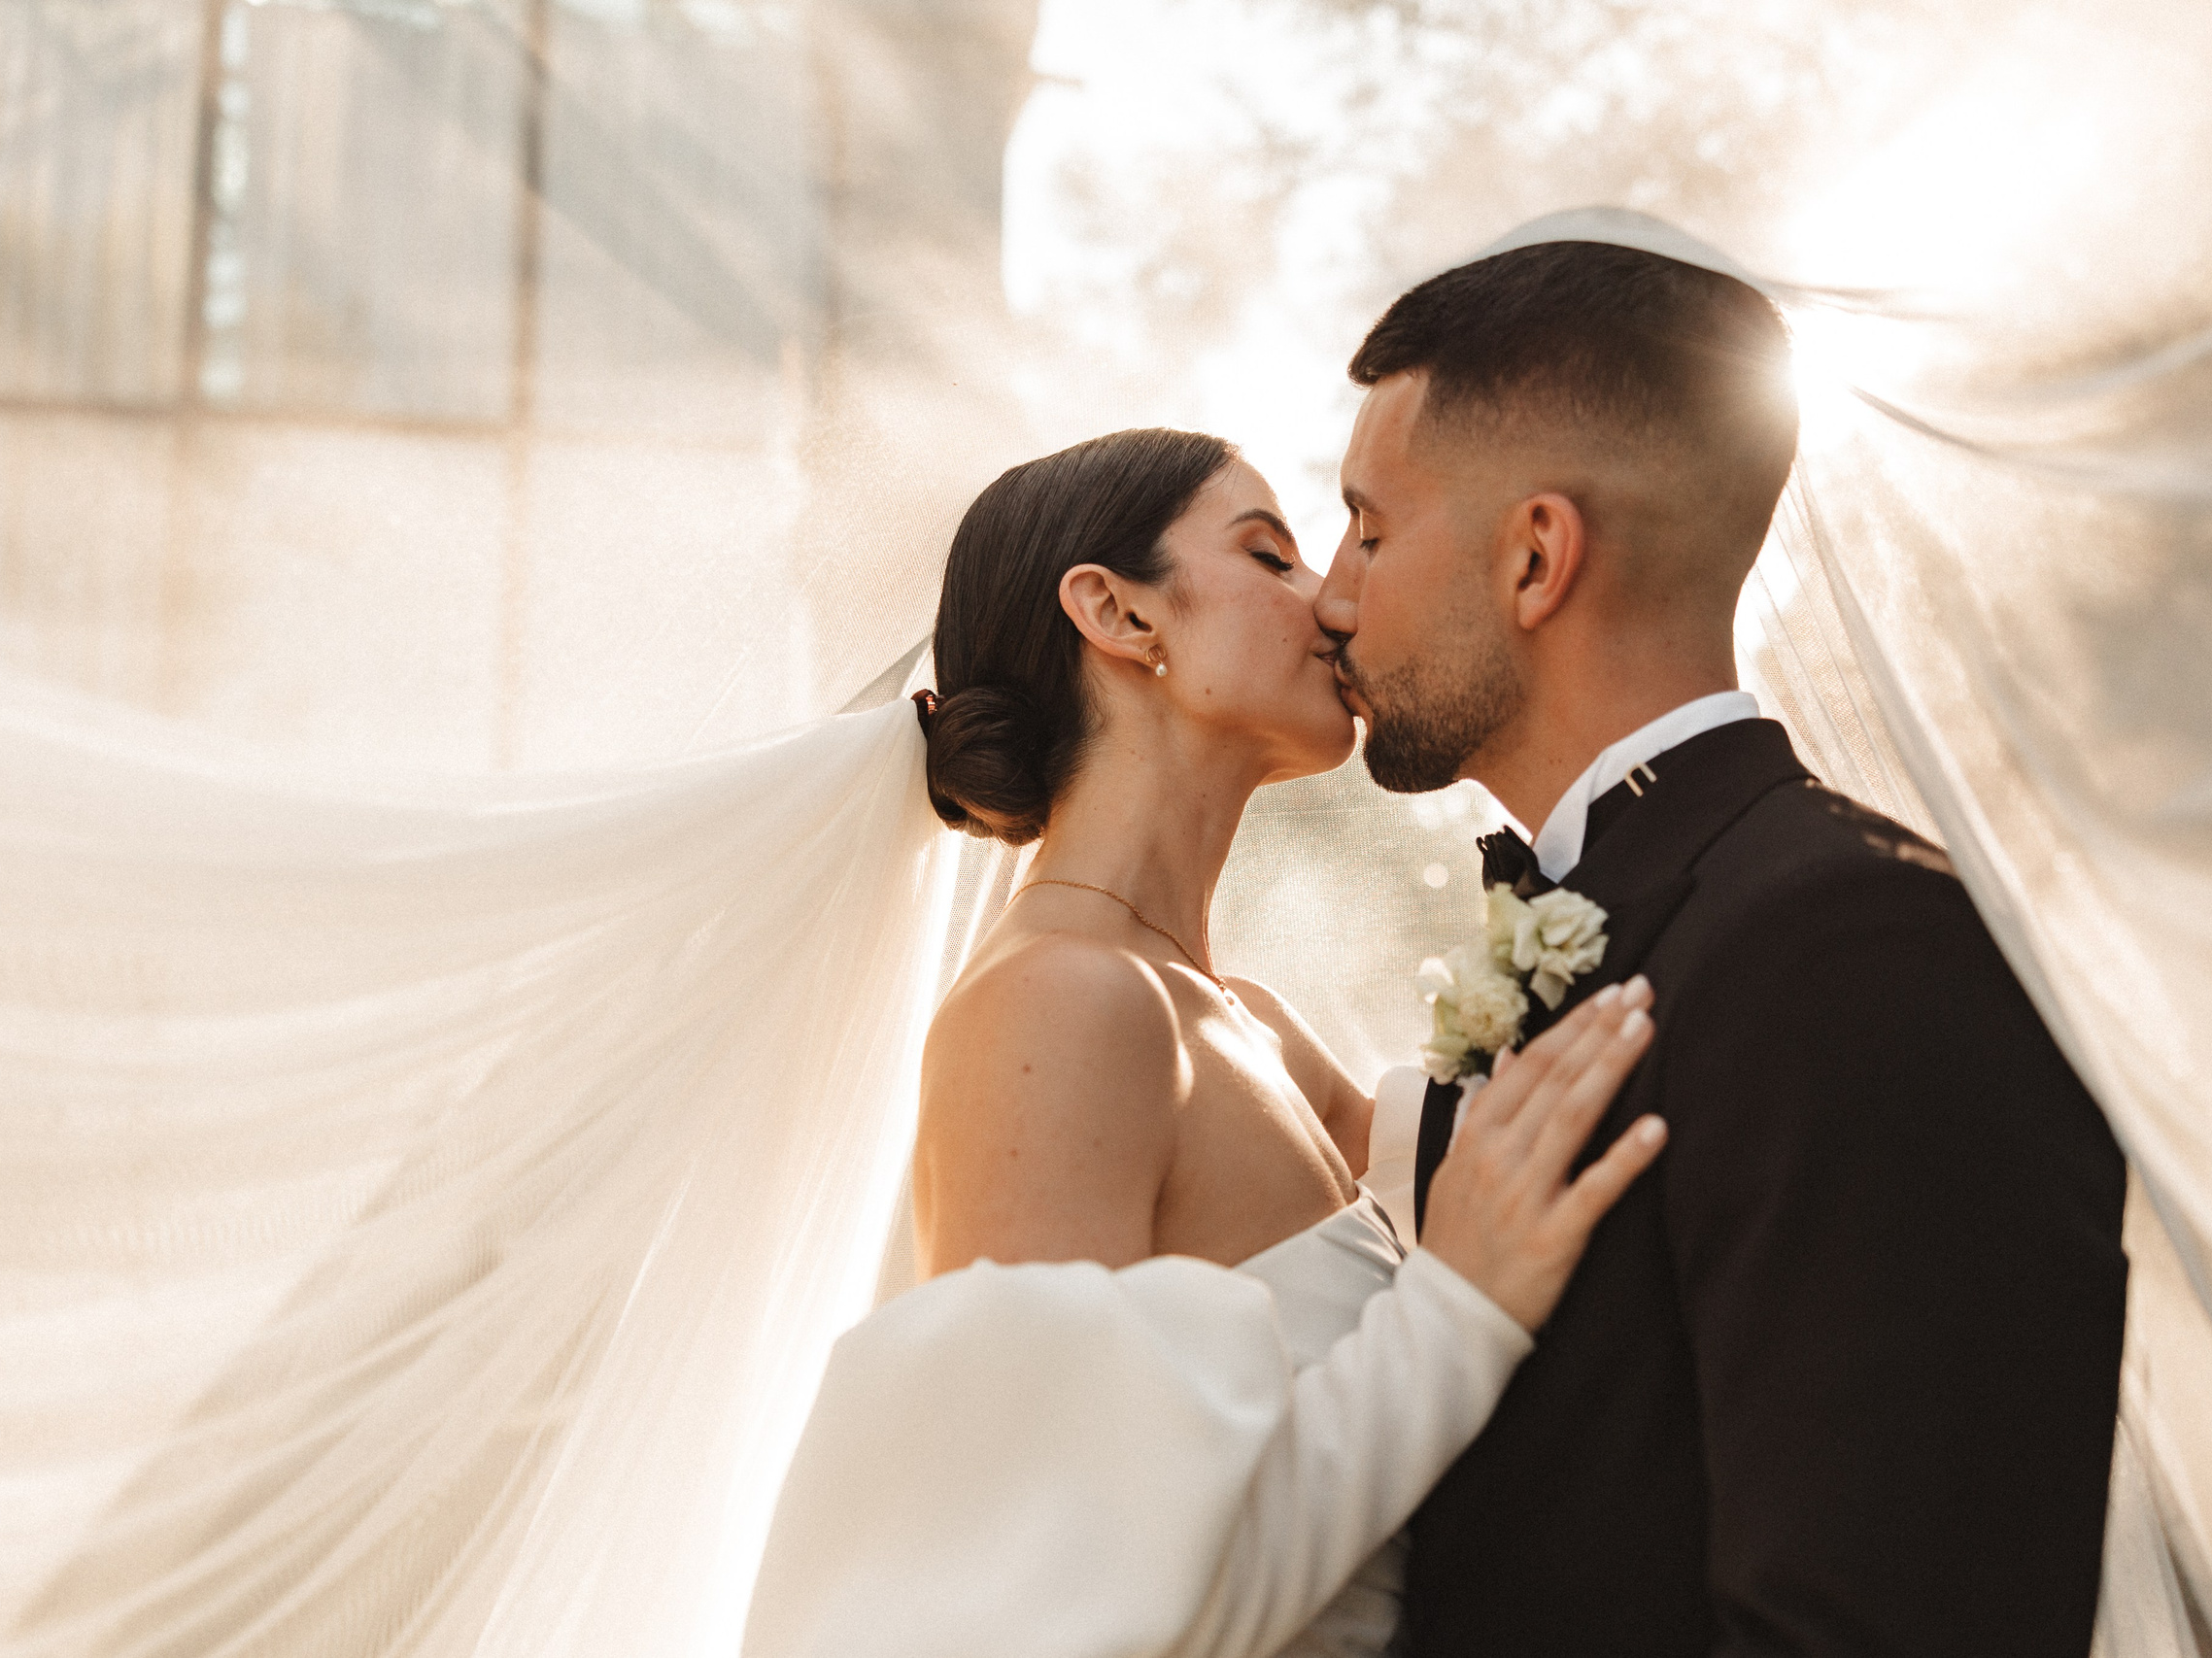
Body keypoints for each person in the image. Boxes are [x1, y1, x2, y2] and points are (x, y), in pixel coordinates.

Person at [1315, 238, 2130, 1656]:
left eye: (1370, 530)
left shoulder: (1856, 946)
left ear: (1535, 555)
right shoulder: (1653, 918)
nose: (1332, 595)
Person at [742, 427, 1672, 1658]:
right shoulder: (1054, 1009)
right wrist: (1455, 1314)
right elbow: (1051, 1606)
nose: (1333, 603)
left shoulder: (1255, 1026)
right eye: (1271, 555)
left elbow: (1500, 1182)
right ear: (1120, 615)